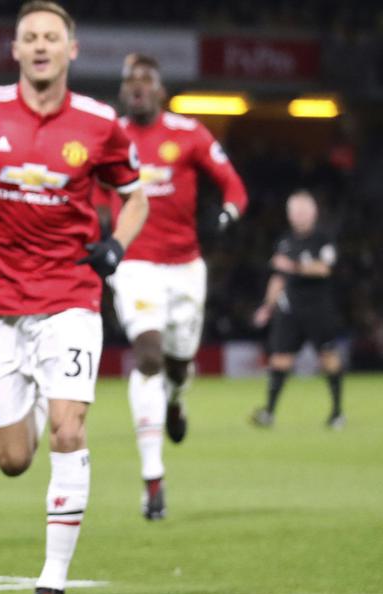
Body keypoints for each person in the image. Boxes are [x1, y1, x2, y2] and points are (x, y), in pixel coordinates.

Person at [0, 0, 148, 594]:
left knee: (69, 430)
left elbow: (136, 198)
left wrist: (116, 246)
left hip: (70, 296)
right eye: (31, 37)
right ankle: (46, 399)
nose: (42, 45)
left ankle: (52, 584)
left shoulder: (101, 124)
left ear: (71, 50)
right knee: (13, 460)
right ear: (16, 49)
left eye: (53, 36)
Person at [97, 54, 248, 520]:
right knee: (147, 355)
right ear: (123, 91)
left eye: (146, 80)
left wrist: (227, 215)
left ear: (161, 91)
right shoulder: (110, 137)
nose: (137, 87)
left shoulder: (189, 133)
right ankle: (153, 479)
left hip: (185, 268)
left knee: (179, 367)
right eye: (130, 81)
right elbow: (88, 190)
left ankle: (177, 400)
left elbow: (233, 186)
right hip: (135, 262)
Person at [251, 191, 344, 429]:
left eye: (303, 211)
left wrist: (293, 265)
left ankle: (337, 413)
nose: (299, 216)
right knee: (280, 359)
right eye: (295, 212)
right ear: (289, 215)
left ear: (313, 213)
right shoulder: (285, 241)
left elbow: (324, 268)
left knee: (328, 358)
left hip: (318, 309)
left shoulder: (324, 239)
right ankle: (269, 413)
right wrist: (267, 307)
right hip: (289, 309)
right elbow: (278, 277)